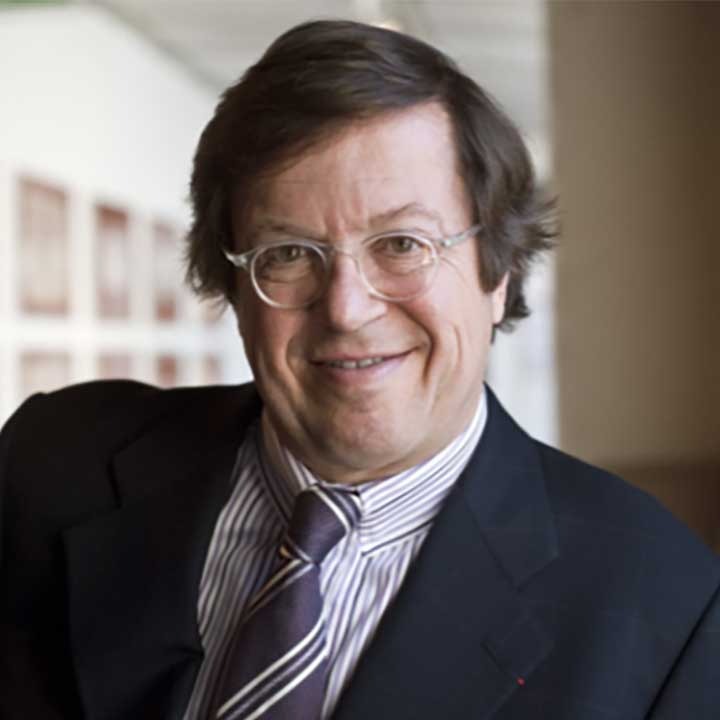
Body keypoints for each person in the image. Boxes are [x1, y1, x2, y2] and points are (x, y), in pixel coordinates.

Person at [1, 19, 718, 720]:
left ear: (497, 272)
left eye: (402, 244)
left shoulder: (663, 601)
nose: (346, 309)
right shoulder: (52, 464)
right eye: (287, 253)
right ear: (233, 285)